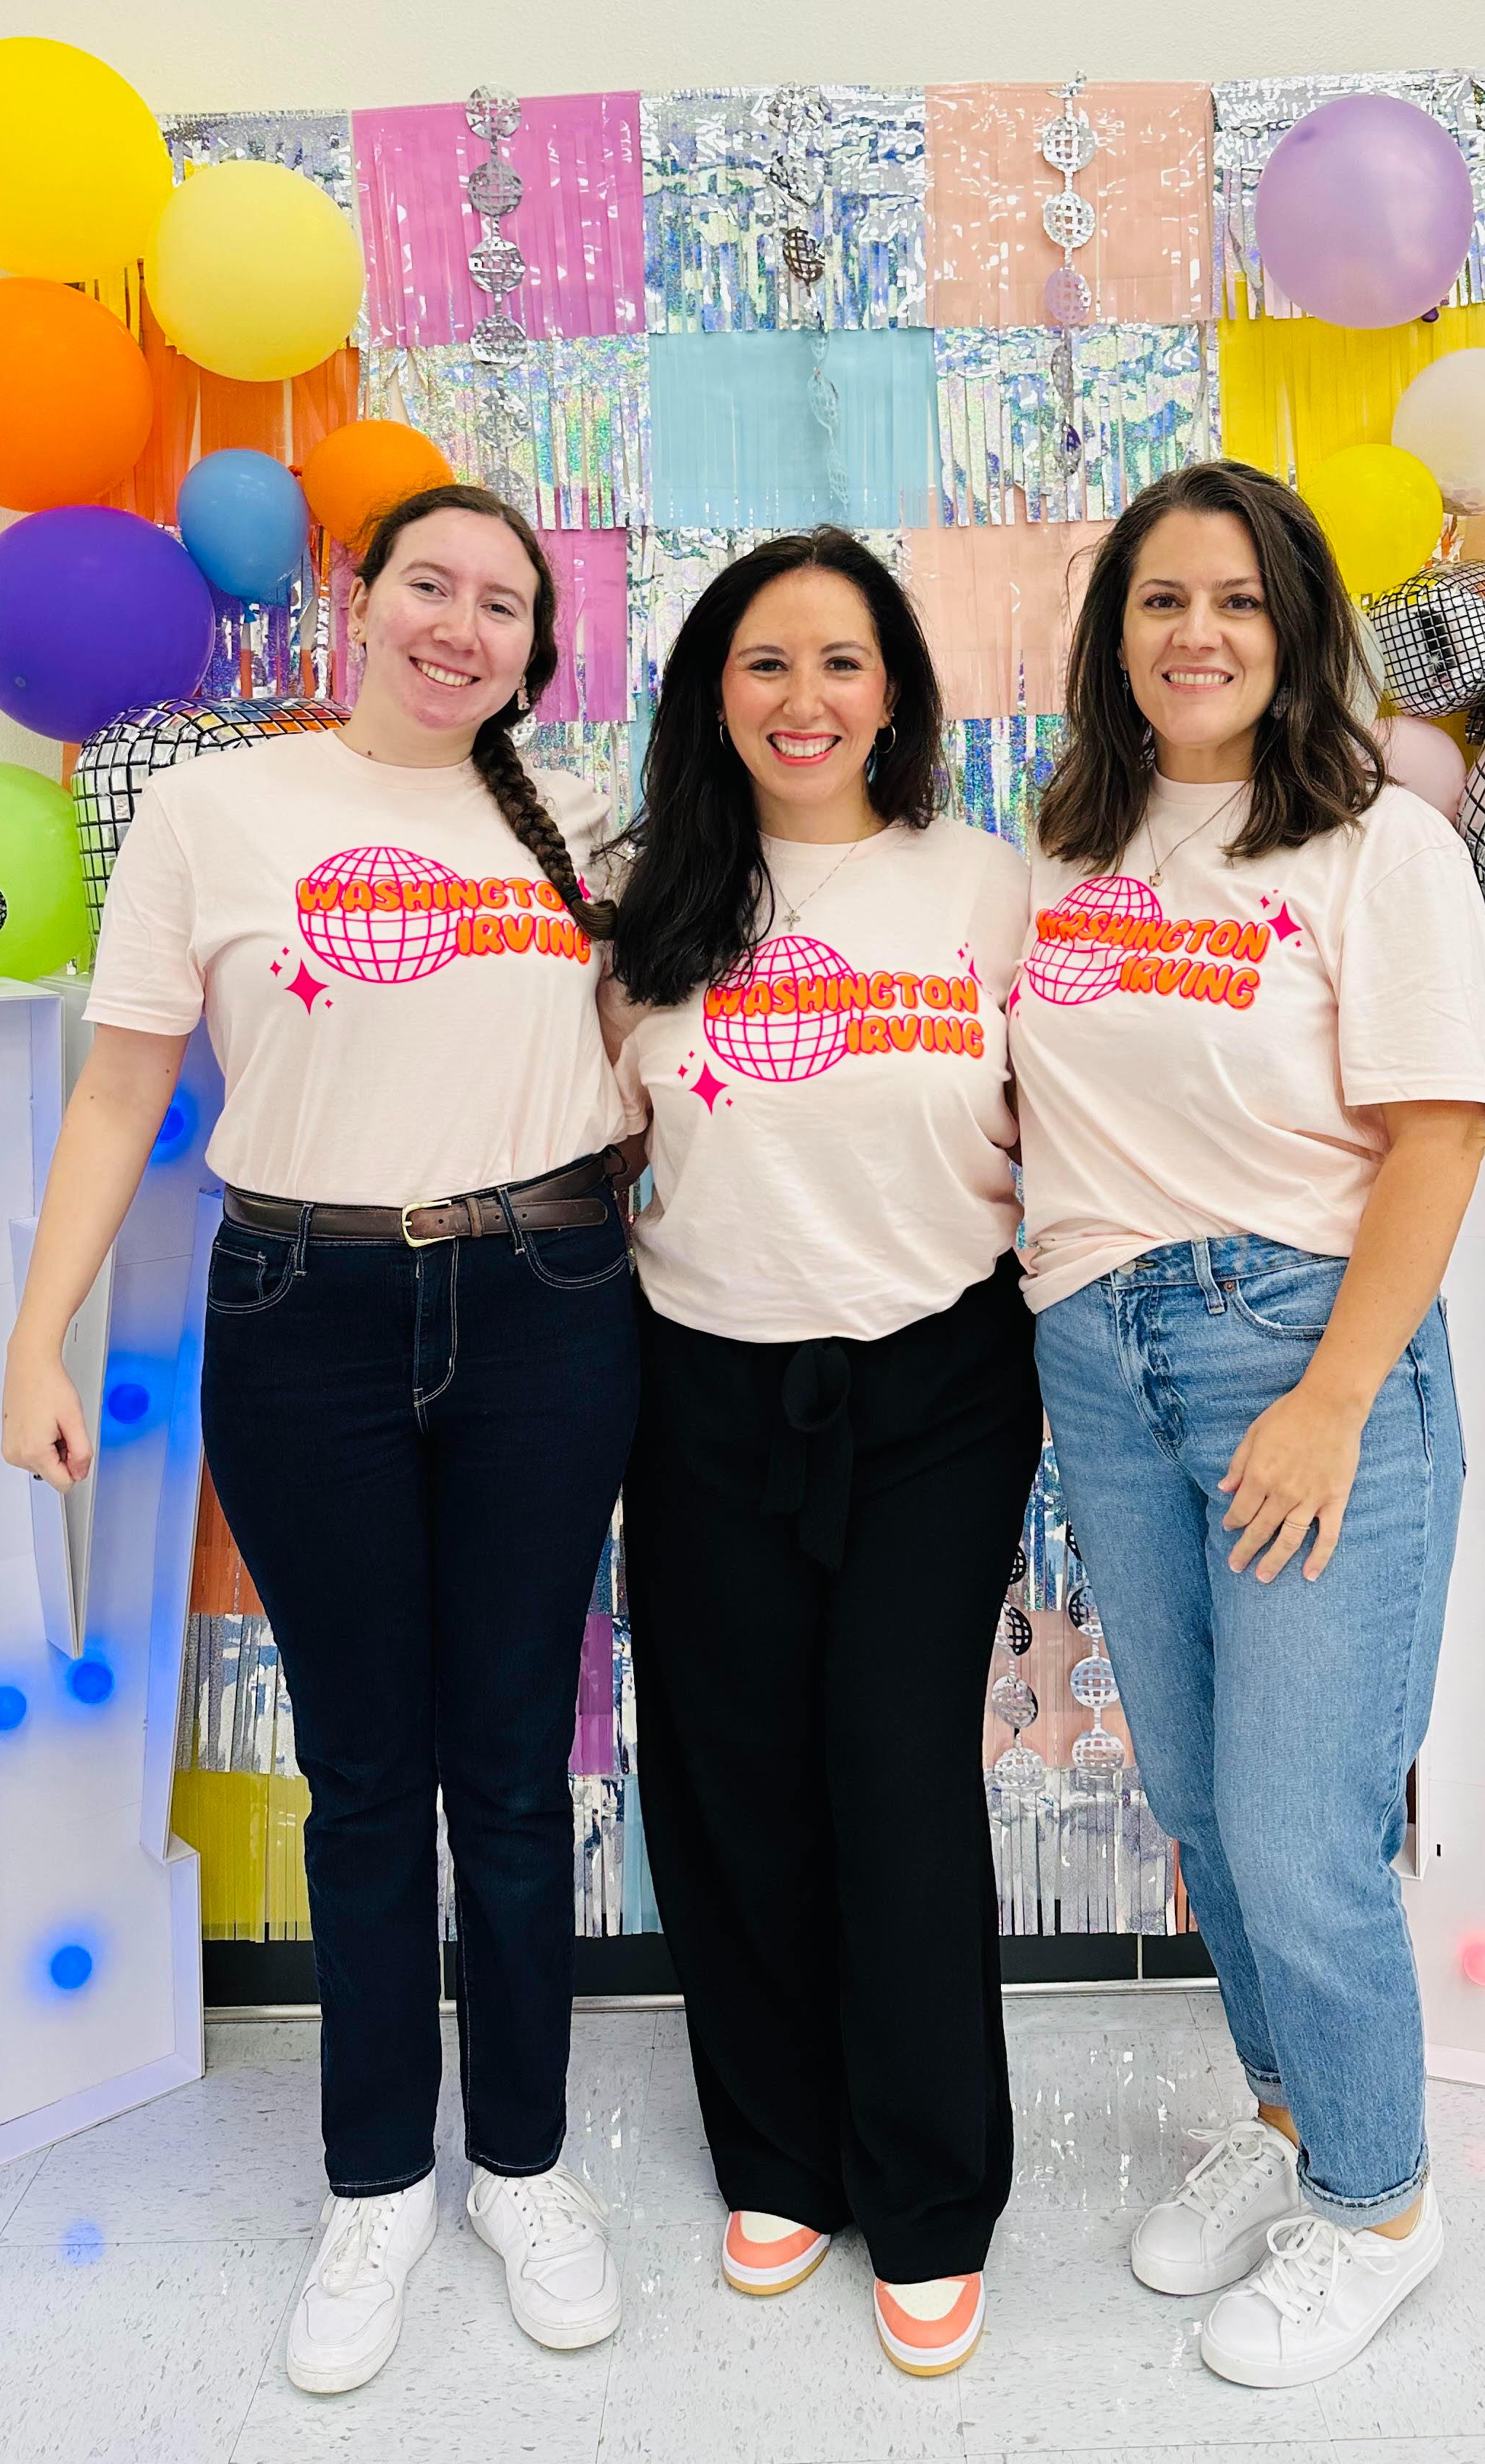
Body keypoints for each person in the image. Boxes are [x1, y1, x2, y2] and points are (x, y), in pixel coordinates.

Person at [1, 484, 640, 2394]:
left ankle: (521, 2164)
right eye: (429, 587)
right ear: (357, 606)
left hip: (546, 1305)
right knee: (364, 1775)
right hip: (303, 1318)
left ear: (536, 649)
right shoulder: (216, 815)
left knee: (516, 1774)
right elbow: (123, 1094)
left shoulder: (589, 818)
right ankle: (376, 2184)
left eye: (503, 607)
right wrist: (36, 1336)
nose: (461, 627)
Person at [1008, 459, 1485, 2388]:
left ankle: (1380, 2204)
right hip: (1100, 1360)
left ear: (1294, 633)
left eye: (1237, 602)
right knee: (1206, 1807)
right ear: (1115, 639)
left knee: (1301, 1825)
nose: (1197, 635)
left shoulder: (1380, 846)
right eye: (1160, 602)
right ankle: (1290, 2120)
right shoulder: (1067, 852)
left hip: (1298, 1338)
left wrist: (1336, 1395)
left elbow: (1441, 1136)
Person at [601, 527, 1038, 2381]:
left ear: (898, 692)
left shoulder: (988, 885)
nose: (806, 699)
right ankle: (777, 2152)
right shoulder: (643, 899)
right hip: (700, 1375)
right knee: (736, 1778)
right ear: (717, 691)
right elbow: (582, 1138)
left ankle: (931, 2191)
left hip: (939, 1381)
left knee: (896, 1767)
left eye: (842, 662)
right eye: (767, 663)